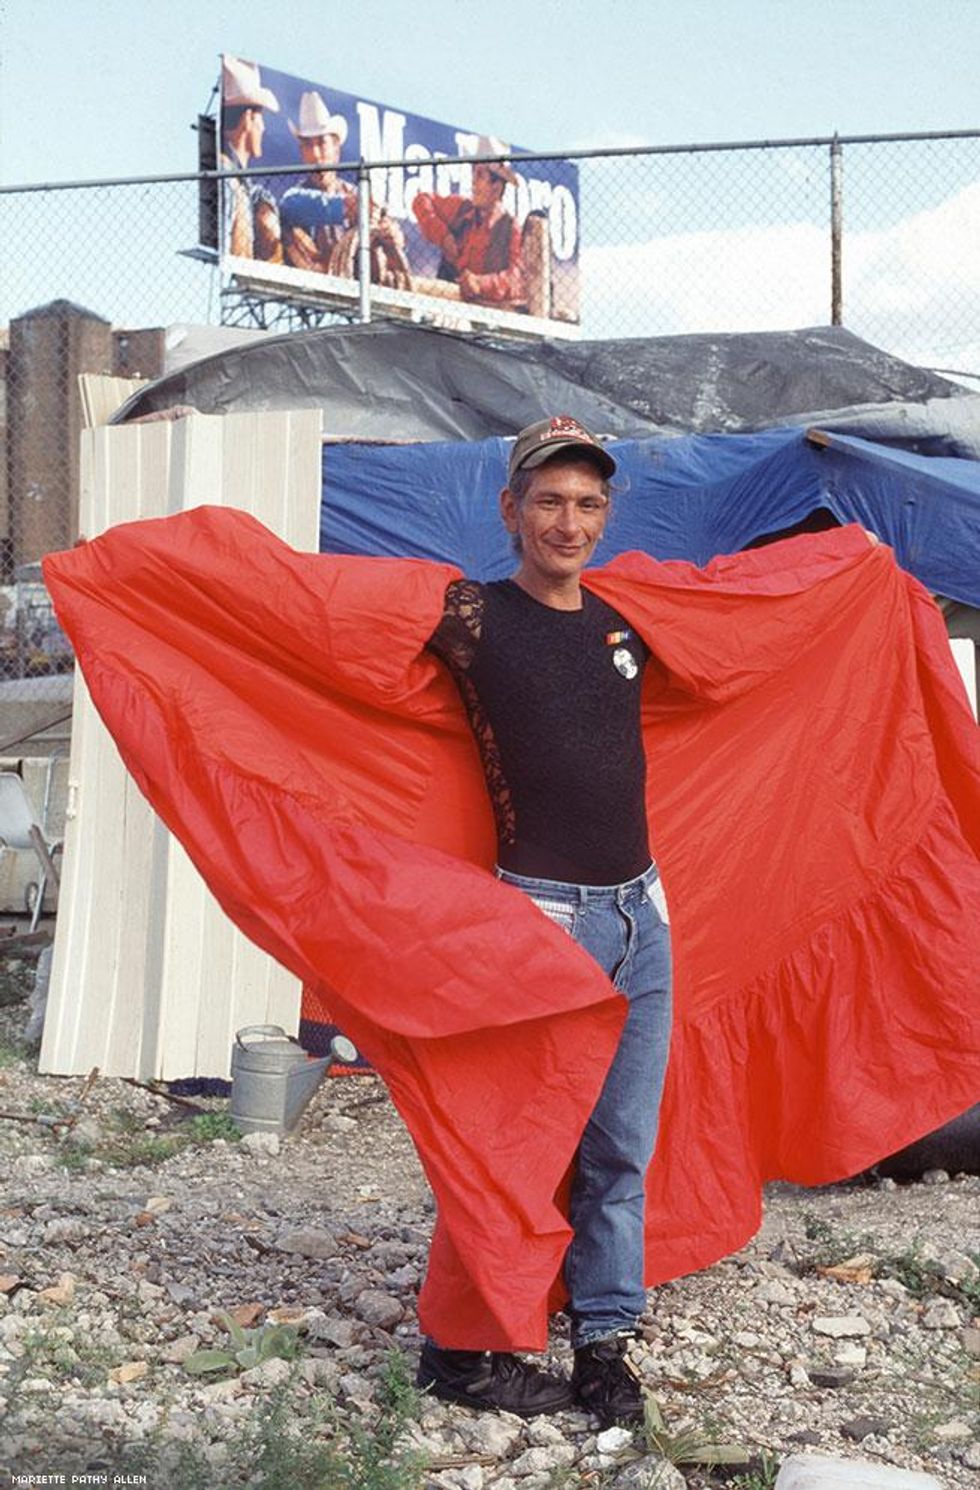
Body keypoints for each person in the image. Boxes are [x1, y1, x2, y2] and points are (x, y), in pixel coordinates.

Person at [419, 416, 672, 1424]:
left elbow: (750, 631)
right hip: (540, 917)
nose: (568, 521)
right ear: (509, 508)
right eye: (549, 500)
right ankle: (461, 1351)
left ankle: (603, 1343)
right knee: (512, 1142)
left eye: (587, 503)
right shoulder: (471, 617)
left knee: (619, 1147)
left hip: (639, 913)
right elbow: (334, 636)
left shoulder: (623, 621)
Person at [413, 138, 525, 306]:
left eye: (480, 175)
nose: (473, 182)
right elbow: (421, 201)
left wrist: (481, 284)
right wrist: (443, 236)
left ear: (496, 187)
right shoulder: (461, 208)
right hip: (447, 302)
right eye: (473, 173)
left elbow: (516, 279)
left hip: (485, 309)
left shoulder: (510, 228)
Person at [279, 90, 358, 273]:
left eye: (322, 143)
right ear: (301, 153)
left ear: (336, 149)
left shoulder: (355, 193)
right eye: (308, 145)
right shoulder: (295, 199)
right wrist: (348, 206)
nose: (315, 155)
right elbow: (289, 205)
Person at [219, 55, 282, 262]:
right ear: (248, 118)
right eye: (261, 117)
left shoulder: (238, 181)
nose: (263, 128)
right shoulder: (226, 175)